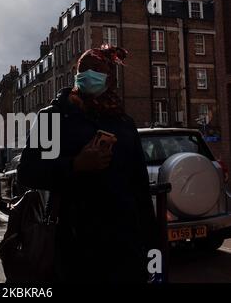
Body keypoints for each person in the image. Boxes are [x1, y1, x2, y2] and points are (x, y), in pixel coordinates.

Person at [17, 45, 158, 284]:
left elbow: (140, 187)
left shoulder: (123, 121)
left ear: (110, 76)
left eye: (97, 69)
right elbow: (28, 172)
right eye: (83, 69)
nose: (88, 74)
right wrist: (75, 165)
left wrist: (152, 246)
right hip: (74, 245)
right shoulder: (52, 117)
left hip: (124, 245)